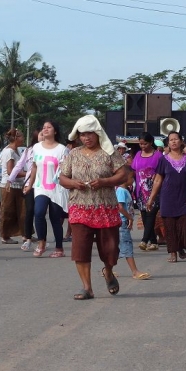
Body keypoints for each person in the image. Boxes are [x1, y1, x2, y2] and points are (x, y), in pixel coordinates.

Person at [59, 115, 127, 299]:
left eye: (90, 134)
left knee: (110, 250)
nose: (86, 138)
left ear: (97, 133)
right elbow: (62, 178)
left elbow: (123, 175)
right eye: (82, 134)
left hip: (105, 207)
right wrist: (73, 183)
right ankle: (87, 288)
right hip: (80, 207)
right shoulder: (73, 154)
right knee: (80, 249)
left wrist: (105, 181)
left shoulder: (109, 152)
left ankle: (108, 271)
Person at [146, 132, 186, 263]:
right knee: (169, 227)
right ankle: (173, 252)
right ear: (168, 143)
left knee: (184, 227)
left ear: (181, 141)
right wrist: (151, 198)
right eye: (171, 140)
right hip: (167, 198)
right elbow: (158, 180)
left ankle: (180, 246)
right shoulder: (163, 160)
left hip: (184, 197)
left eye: (176, 139)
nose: (173, 142)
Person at [25, 121, 68, 258]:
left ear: (55, 131)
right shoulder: (37, 147)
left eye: (49, 127)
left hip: (57, 188)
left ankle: (59, 248)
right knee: (38, 212)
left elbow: (65, 170)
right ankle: (41, 243)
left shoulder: (62, 149)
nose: (45, 129)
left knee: (55, 218)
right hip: (40, 187)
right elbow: (34, 167)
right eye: (44, 127)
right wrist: (30, 185)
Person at [8, 129, 41, 251]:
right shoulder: (29, 150)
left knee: (40, 212)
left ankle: (42, 240)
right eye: (41, 134)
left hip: (44, 186)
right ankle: (28, 239)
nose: (43, 136)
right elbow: (19, 165)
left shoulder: (51, 149)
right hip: (29, 185)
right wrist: (10, 179)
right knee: (30, 210)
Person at [116, 166, 151, 280]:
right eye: (131, 178)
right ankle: (134, 271)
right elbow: (120, 207)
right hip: (123, 222)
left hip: (124, 221)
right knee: (127, 245)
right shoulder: (121, 191)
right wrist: (129, 218)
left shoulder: (125, 190)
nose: (133, 180)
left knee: (118, 247)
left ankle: (107, 270)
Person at [132, 132, 163, 251]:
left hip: (154, 189)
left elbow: (162, 171)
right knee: (144, 216)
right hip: (141, 190)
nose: (142, 146)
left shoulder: (158, 155)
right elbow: (133, 170)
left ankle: (144, 240)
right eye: (140, 144)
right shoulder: (138, 154)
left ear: (151, 142)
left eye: (145, 144)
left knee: (151, 214)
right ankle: (153, 241)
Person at [0, 129, 25, 244]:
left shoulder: (17, 151)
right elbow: (10, 171)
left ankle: (25, 233)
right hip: (9, 185)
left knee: (22, 210)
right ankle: (5, 235)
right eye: (21, 136)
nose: (23, 139)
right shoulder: (9, 152)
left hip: (18, 184)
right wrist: (27, 174)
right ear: (15, 138)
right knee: (8, 211)